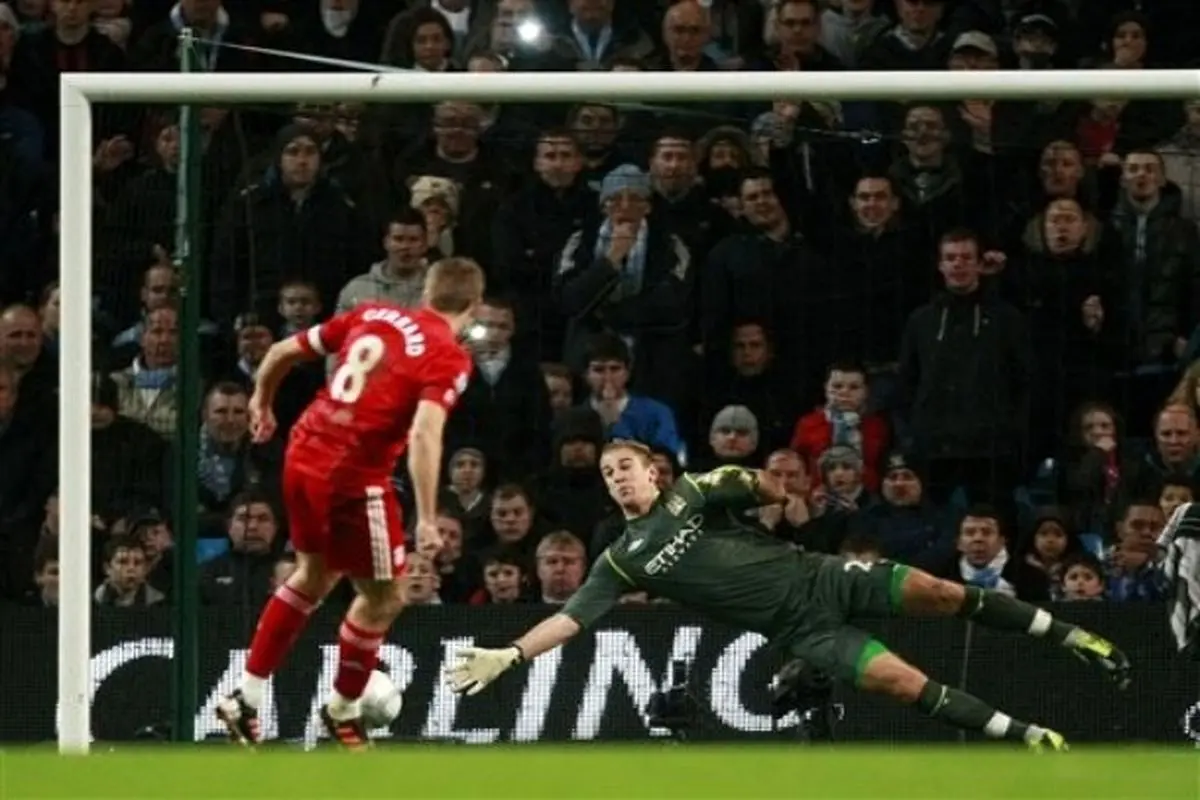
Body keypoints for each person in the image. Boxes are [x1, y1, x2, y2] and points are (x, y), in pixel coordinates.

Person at [448, 440, 1132, 750]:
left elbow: (766, 489)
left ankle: (1076, 636)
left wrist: (761, 485)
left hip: (821, 576)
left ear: (652, 471)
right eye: (607, 474)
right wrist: (510, 655)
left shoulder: (694, 493)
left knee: (941, 591)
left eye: (625, 466)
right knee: (901, 681)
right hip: (805, 631)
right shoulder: (623, 560)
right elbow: (571, 620)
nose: (617, 478)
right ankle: (1031, 736)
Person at [217, 258, 484, 750]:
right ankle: (342, 711)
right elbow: (425, 434)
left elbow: (280, 351)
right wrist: (428, 517)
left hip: (303, 453)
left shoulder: (374, 313)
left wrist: (262, 401)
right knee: (386, 597)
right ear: (475, 305)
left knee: (313, 576)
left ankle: (246, 697)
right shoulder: (448, 355)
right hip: (353, 478)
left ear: (426, 293)